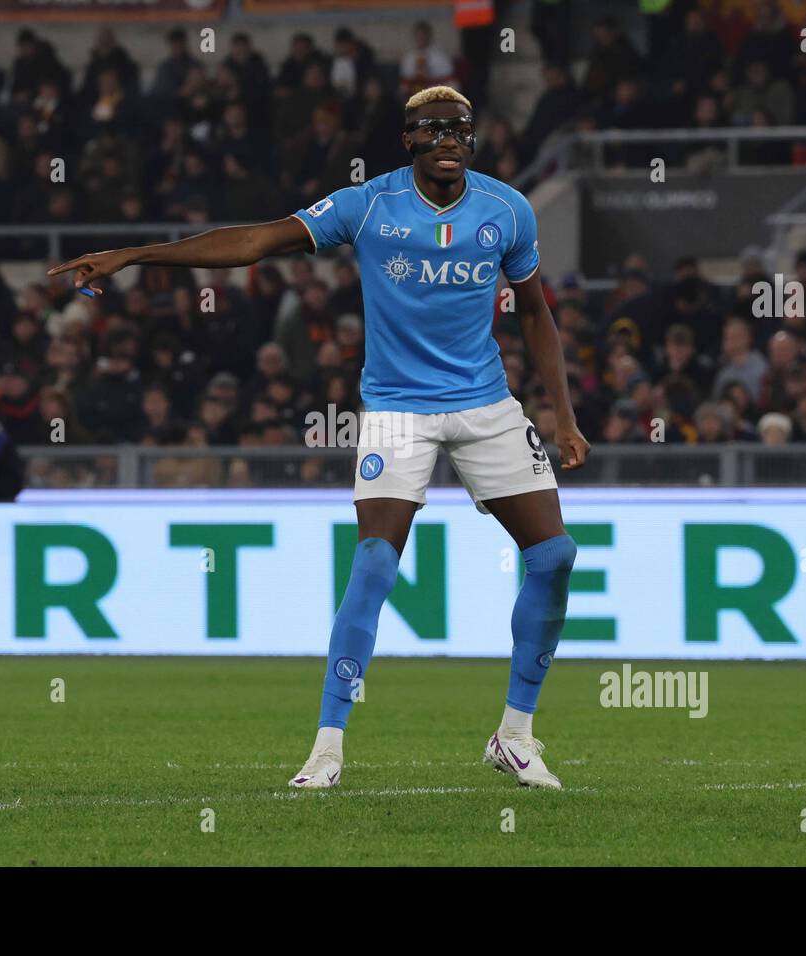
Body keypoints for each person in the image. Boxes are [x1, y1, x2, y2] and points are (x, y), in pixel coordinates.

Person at [48, 85, 591, 791]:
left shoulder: (507, 210)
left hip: (486, 403)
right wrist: (136, 255)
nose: (449, 139)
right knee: (373, 566)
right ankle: (327, 748)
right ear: (408, 140)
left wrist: (564, 415)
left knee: (554, 556)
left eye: (460, 128)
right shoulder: (368, 206)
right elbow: (255, 241)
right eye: (433, 129)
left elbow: (536, 315)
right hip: (397, 409)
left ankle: (514, 736)